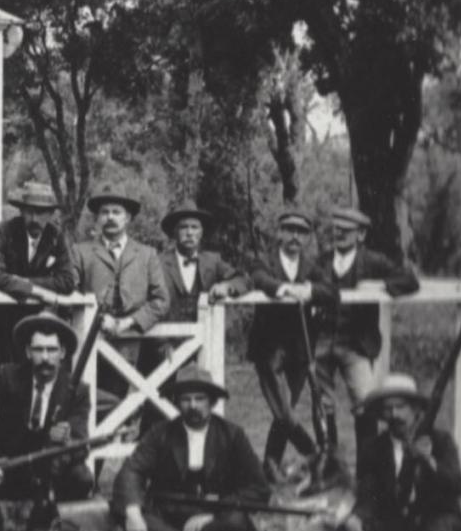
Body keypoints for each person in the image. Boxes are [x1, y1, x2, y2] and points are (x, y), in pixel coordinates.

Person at [0, 312, 94, 531]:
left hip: (47, 470)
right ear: (28, 352)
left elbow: (81, 444)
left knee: (81, 476)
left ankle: (59, 521)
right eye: (38, 350)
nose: (45, 358)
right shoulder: (9, 376)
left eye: (52, 350)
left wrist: (66, 441)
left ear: (63, 353)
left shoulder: (77, 391)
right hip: (6, 467)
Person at [112, 367, 268, 531]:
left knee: (235, 522)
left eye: (200, 398)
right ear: (177, 403)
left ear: (212, 401)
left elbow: (259, 488)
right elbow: (132, 471)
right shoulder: (161, 433)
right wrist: (133, 513)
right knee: (136, 517)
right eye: (186, 399)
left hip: (217, 516)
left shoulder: (232, 435)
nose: (193, 405)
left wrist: (214, 515)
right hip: (170, 515)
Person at [222, 209, 332, 483]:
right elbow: (260, 278)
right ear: (280, 233)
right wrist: (285, 289)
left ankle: (270, 465)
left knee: (285, 410)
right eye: (290, 230)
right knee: (283, 410)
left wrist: (310, 291)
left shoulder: (312, 267)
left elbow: (330, 290)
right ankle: (315, 451)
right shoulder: (265, 260)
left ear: (307, 238)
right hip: (269, 346)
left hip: (300, 347)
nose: (295, 237)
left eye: (301, 232)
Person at [341, 372, 461, 531]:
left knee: (445, 529)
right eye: (388, 409)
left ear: (416, 410)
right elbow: (368, 495)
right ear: (381, 414)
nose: (394, 414)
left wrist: (429, 462)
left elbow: (457, 485)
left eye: (400, 407)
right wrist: (356, 518)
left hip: (434, 521)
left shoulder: (440, 441)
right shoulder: (374, 449)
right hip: (397, 523)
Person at [312, 206, 420, 458]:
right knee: (322, 405)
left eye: (347, 231)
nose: (340, 235)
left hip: (355, 344)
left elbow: (410, 280)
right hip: (323, 341)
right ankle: (330, 465)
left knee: (366, 404)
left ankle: (368, 470)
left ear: (361, 234)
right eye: (337, 229)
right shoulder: (323, 260)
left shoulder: (373, 261)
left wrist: (378, 285)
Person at [141, 203, 247, 431]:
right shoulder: (157, 262)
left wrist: (227, 287)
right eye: (183, 227)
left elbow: (243, 279)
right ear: (174, 233)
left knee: (196, 411)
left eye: (195, 227)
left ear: (202, 232)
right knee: (157, 415)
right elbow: (146, 302)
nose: (189, 233)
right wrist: (162, 344)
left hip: (201, 351)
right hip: (163, 352)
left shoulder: (212, 261)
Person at [0, 181, 78, 394]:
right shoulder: (1, 232)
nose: (34, 219)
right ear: (21, 211)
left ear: (50, 214)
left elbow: (67, 281)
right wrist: (35, 291)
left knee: (22, 388)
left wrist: (20, 282)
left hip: (26, 325)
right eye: (29, 212)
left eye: (41, 213)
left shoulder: (56, 238)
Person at [73, 187, 169, 414]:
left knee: (132, 409)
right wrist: (93, 315)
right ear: (97, 219)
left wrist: (129, 323)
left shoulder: (146, 255)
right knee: (92, 407)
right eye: (104, 212)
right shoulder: (81, 252)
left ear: (127, 218)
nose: (110, 217)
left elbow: (161, 300)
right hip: (91, 343)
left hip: (135, 345)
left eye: (117, 212)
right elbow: (71, 291)